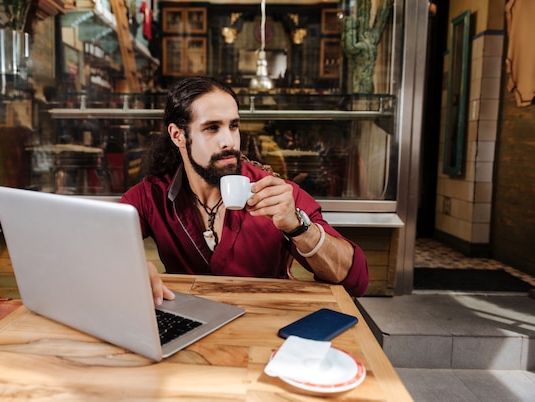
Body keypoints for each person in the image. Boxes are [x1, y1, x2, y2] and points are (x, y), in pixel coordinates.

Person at [120, 76, 369, 303]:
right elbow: (91, 245)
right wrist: (131, 268)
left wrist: (299, 227)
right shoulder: (151, 196)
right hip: (189, 329)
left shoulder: (274, 192)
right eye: (212, 128)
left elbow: (355, 279)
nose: (229, 140)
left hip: (266, 327)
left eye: (234, 126)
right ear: (178, 136)